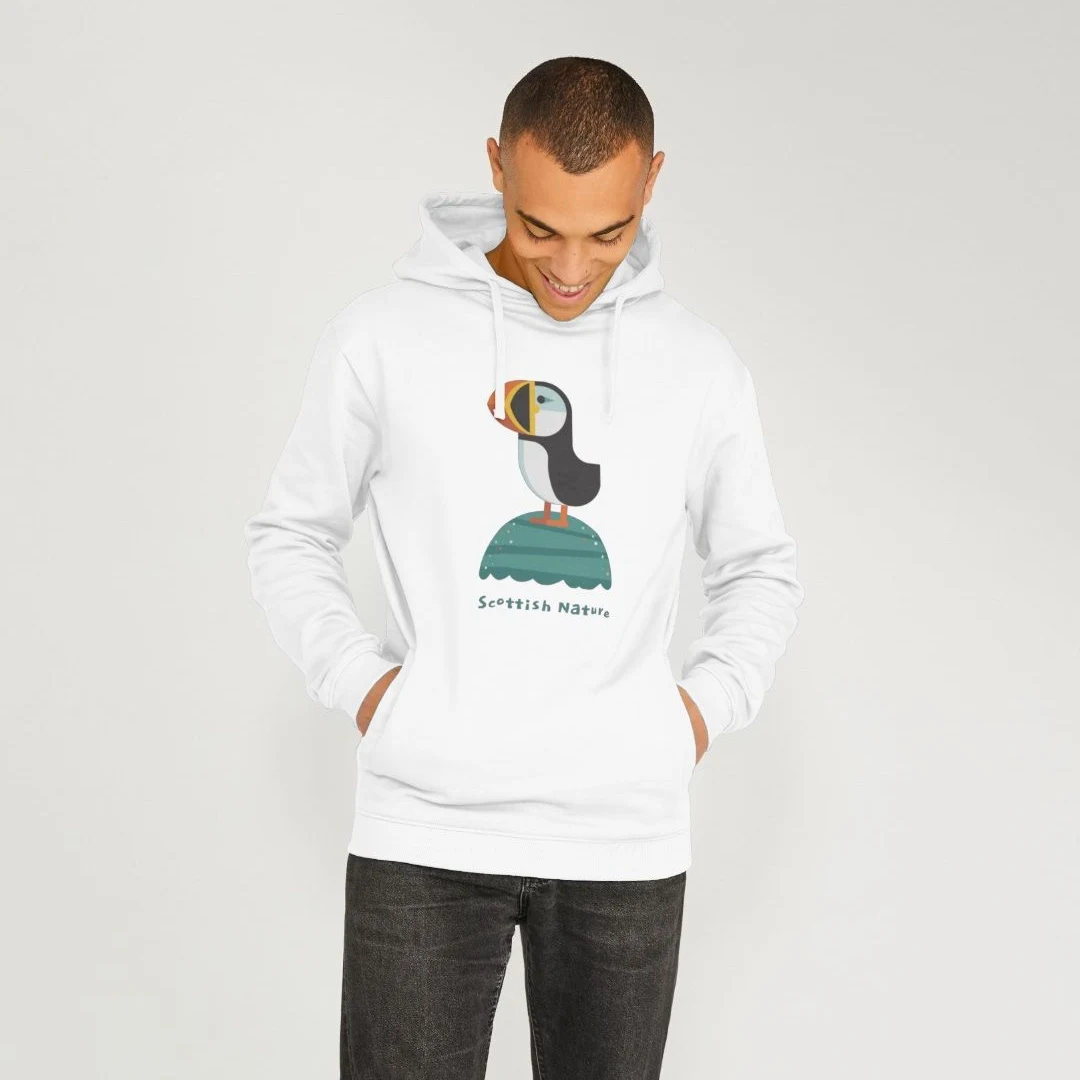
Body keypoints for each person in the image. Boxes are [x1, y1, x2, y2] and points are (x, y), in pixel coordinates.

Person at [245, 56, 804, 1080]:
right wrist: (370, 691)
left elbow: (759, 567)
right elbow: (291, 533)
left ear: (652, 181)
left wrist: (691, 718)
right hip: (425, 831)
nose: (572, 269)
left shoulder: (698, 365)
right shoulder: (382, 337)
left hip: (623, 837)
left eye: (609, 233)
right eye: (541, 229)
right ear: (497, 167)